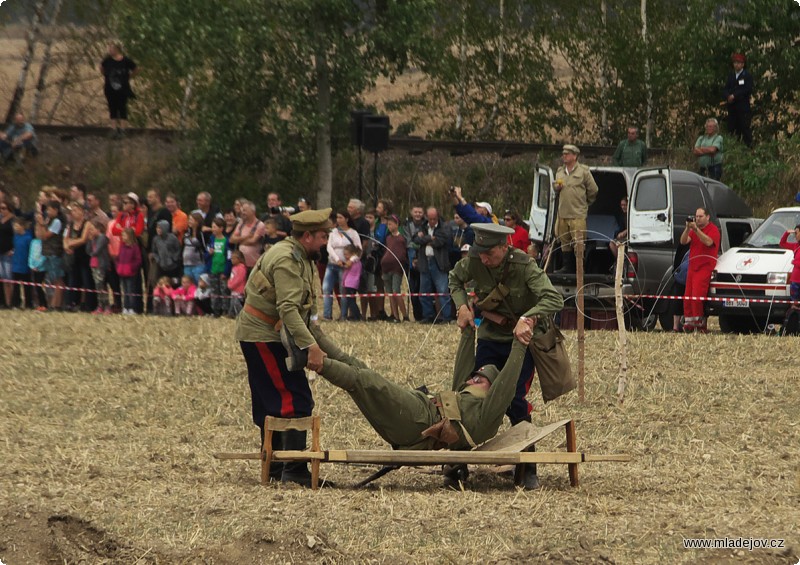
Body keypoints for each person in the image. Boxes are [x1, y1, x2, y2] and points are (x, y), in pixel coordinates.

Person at [308, 322, 536, 487]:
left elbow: (507, 382)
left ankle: (317, 363)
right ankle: (314, 333)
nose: (470, 380)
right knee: (361, 370)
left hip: (421, 423)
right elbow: (463, 366)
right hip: (416, 413)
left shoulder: (487, 413)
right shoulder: (464, 394)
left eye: (478, 380)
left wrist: (520, 343)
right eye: (472, 377)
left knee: (367, 381)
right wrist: (467, 331)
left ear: (492, 392)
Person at [449, 222, 565, 488]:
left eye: (489, 252)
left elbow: (554, 298)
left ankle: (528, 467)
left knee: (514, 399)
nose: (483, 258)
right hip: (491, 337)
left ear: (504, 247)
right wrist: (462, 306)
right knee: (473, 393)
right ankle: (457, 464)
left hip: (521, 343)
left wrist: (528, 317)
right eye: (480, 252)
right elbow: (455, 278)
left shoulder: (524, 266)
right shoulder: (477, 260)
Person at [235, 208, 333, 487]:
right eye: (323, 236)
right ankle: (293, 470)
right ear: (307, 236)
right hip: (264, 335)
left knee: (274, 401)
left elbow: (303, 309)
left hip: (270, 334)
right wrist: (311, 347)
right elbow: (288, 309)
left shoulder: (301, 256)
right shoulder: (287, 260)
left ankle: (277, 467)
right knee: (293, 400)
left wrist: (319, 342)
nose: (326, 241)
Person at [553, 144, 599, 274]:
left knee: (578, 243)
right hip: (563, 213)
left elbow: (593, 190)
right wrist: (557, 188)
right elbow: (555, 189)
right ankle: (567, 267)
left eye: (567, 154)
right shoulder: (560, 172)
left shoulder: (583, 171)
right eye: (563, 154)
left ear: (575, 156)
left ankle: (580, 269)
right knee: (564, 241)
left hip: (577, 214)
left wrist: (586, 203)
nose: (564, 156)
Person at [679, 207, 720, 333]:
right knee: (688, 297)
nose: (697, 219)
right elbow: (683, 241)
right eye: (696, 216)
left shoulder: (713, 230)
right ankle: (689, 323)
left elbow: (708, 242)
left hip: (704, 267)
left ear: (707, 217)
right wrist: (687, 228)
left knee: (697, 296)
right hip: (692, 266)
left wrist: (696, 229)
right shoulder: (693, 230)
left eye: (700, 216)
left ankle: (699, 324)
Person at [413, 207, 453, 323]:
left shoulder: (444, 226)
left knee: (442, 291)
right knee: (424, 292)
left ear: (437, 217)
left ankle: (446, 317)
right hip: (425, 262)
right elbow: (415, 239)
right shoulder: (422, 226)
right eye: (430, 219)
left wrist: (424, 239)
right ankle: (428, 316)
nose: (432, 221)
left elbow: (441, 240)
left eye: (434, 219)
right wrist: (430, 238)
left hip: (439, 263)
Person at [322, 210, 361, 320]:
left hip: (345, 266)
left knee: (343, 290)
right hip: (332, 263)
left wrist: (351, 260)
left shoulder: (353, 233)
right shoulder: (333, 232)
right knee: (326, 288)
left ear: (347, 219)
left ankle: (343, 315)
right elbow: (329, 247)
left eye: (341, 217)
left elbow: (359, 250)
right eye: (337, 218)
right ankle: (327, 315)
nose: (338, 220)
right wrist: (337, 258)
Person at [99, 42, 137, 136]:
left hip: (122, 88)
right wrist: (106, 75)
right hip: (110, 88)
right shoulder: (107, 60)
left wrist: (129, 77)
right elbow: (101, 67)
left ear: (117, 49)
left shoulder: (125, 60)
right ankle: (114, 129)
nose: (110, 50)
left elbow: (136, 68)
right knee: (112, 107)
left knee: (122, 107)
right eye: (109, 49)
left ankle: (123, 129)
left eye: (112, 49)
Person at [381, 214, 408, 323]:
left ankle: (405, 315)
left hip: (396, 268)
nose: (389, 226)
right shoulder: (388, 238)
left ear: (397, 224)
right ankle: (395, 316)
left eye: (391, 224)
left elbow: (402, 254)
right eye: (388, 224)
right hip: (385, 268)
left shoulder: (401, 238)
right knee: (390, 293)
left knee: (396, 291)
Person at [723, 53, 753, 147]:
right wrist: (728, 96)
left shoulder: (747, 75)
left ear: (743, 64)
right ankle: (734, 149)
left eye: (739, 63)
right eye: (735, 62)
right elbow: (726, 88)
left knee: (744, 129)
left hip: (742, 107)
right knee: (732, 129)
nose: (737, 65)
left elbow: (747, 89)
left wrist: (734, 96)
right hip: (732, 107)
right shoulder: (731, 75)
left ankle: (749, 148)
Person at [403, 205, 426, 321]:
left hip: (423, 258)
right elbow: (408, 242)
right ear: (411, 213)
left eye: (420, 212)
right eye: (415, 212)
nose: (417, 214)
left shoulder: (426, 224)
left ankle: (425, 314)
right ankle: (417, 315)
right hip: (410, 259)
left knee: (423, 288)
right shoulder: (407, 225)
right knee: (413, 289)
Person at [229, 200, 264, 272]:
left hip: (254, 265)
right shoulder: (241, 223)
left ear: (252, 211)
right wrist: (246, 237)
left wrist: (238, 241)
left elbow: (252, 241)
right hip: (240, 265)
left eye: (245, 210)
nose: (242, 213)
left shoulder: (260, 225)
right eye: (242, 210)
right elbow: (231, 239)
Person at [206, 218, 231, 317]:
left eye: (215, 227)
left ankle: (225, 310)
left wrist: (226, 272)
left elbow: (229, 258)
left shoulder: (227, 241)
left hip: (222, 269)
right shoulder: (211, 240)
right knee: (214, 291)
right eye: (212, 227)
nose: (213, 229)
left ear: (221, 228)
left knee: (224, 290)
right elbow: (206, 254)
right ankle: (215, 311)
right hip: (213, 269)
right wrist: (209, 254)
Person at [86, 220, 111, 315]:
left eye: (92, 229)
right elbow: (88, 251)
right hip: (94, 265)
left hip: (101, 265)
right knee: (97, 287)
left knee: (102, 286)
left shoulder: (102, 238)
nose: (90, 231)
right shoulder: (93, 239)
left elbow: (97, 250)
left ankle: (107, 306)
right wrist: (89, 240)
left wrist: (92, 253)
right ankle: (100, 306)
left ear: (98, 229)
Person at [116, 227, 142, 315]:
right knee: (125, 290)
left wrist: (131, 267)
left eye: (124, 235)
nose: (122, 237)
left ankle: (132, 307)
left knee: (131, 290)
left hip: (130, 273)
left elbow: (138, 260)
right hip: (122, 272)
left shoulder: (134, 247)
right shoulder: (122, 246)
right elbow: (118, 258)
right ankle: (125, 307)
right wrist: (118, 266)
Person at [11, 216, 33, 309]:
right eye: (14, 226)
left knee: (27, 286)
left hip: (25, 265)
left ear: (22, 226)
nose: (15, 227)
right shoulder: (15, 237)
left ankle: (28, 304)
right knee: (16, 286)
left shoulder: (28, 237)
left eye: (17, 225)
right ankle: (16, 303)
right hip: (16, 264)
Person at [151, 219, 182, 283]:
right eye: (157, 228)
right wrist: (158, 260)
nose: (158, 229)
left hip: (173, 266)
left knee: (174, 282)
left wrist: (174, 259)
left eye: (160, 228)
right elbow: (154, 251)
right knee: (163, 282)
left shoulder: (173, 238)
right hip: (162, 266)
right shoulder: (156, 239)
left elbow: (178, 249)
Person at [182, 212, 208, 284]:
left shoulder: (201, 234)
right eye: (189, 219)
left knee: (198, 282)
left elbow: (204, 246)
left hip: (198, 263)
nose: (189, 221)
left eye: (191, 219)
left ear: (197, 221)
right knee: (188, 284)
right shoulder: (186, 234)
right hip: (186, 264)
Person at [340, 244, 362, 321]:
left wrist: (341, 264)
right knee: (351, 300)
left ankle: (357, 316)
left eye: (346, 254)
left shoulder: (353, 259)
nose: (345, 256)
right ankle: (355, 315)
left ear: (352, 253)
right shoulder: (356, 259)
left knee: (351, 301)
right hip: (352, 283)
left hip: (350, 283)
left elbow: (347, 265)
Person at [779, 225, 800, 304]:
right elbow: (782, 244)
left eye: (797, 233)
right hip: (795, 280)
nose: (795, 236)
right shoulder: (796, 246)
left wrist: (794, 262)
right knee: (794, 304)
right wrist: (786, 233)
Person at [0, 200, 14, 307]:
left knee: (8, 279)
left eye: (4, 208)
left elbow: (17, 236)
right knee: (3, 278)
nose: (1, 210)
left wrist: (14, 249)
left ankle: (10, 302)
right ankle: (4, 302)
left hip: (8, 253)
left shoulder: (13, 221)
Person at [227, 249, 246, 317]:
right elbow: (232, 278)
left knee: (236, 303)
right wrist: (229, 283)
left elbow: (238, 279)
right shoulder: (234, 268)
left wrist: (231, 285)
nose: (231, 260)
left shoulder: (241, 268)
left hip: (239, 290)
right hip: (233, 289)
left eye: (233, 258)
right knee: (232, 302)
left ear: (239, 259)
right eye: (231, 258)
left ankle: (241, 316)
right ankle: (231, 314)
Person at [609, 197, 629, 262]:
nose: (623, 207)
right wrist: (617, 234)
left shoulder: (631, 215)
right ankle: (619, 261)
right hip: (623, 237)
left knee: (619, 244)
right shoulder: (622, 216)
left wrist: (626, 231)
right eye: (622, 205)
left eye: (625, 205)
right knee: (612, 243)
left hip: (630, 236)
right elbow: (620, 228)